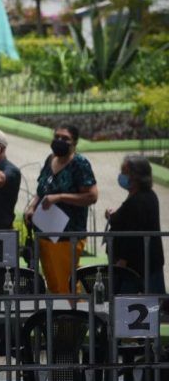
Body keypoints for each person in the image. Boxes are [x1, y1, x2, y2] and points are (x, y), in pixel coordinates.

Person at [24, 125, 98, 294]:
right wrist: (32, 206)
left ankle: (74, 317)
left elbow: (92, 196)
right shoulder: (50, 159)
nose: (59, 141)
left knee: (67, 284)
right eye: (57, 136)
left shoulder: (80, 163)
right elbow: (41, 190)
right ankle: (57, 318)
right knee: (53, 284)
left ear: (75, 143)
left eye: (65, 138)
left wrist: (60, 197)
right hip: (45, 232)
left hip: (68, 235)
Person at [106, 155, 165, 294]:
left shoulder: (140, 201)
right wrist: (114, 216)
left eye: (125, 172)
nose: (122, 176)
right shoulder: (141, 195)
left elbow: (134, 234)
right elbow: (128, 218)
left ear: (137, 176)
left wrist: (122, 261)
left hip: (137, 268)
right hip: (139, 265)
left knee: (134, 307)